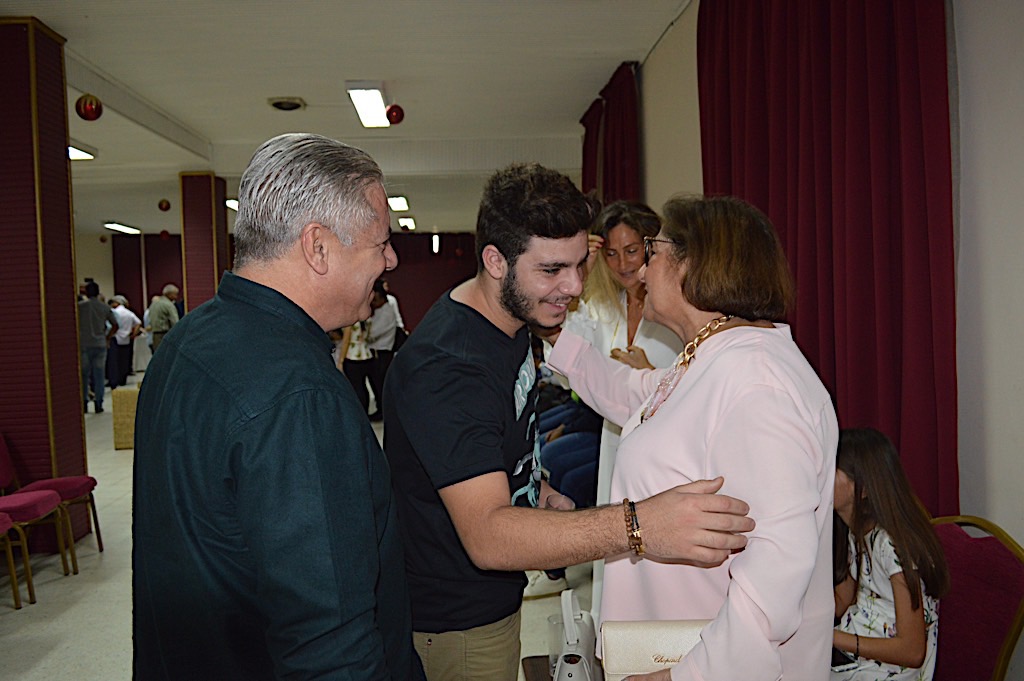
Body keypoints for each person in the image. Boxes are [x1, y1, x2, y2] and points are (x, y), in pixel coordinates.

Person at [383, 164, 755, 681]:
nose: (574, 286)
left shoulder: (514, 320)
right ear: (495, 261)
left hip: (492, 599)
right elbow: (488, 536)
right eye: (552, 269)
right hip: (457, 618)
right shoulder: (448, 367)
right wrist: (640, 525)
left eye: (580, 265)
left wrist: (534, 488)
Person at [133, 132, 423, 680]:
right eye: (380, 242)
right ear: (318, 247)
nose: (391, 258)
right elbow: (328, 639)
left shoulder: (189, 339)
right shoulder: (299, 394)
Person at [544, 194, 839, 680]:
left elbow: (775, 574)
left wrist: (682, 677)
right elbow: (634, 394)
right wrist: (555, 334)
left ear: (694, 264)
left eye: (653, 251)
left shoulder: (757, 381)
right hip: (668, 645)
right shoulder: (712, 356)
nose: (642, 269)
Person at [532, 200, 686, 602]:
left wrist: (650, 372)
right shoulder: (608, 307)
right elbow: (570, 365)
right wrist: (580, 271)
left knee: (658, 556)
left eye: (632, 251)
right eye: (612, 253)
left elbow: (695, 379)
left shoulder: (677, 308)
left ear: (654, 248)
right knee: (619, 551)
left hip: (667, 448)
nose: (623, 264)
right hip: (616, 438)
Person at [832, 428, 950, 681]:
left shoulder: (893, 547)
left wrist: (830, 637)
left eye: (831, 468)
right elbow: (842, 601)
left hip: (890, 669)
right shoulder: (855, 532)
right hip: (855, 653)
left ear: (864, 488)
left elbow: (912, 651)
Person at [78, 281, 118, 413]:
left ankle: (84, 401)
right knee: (99, 375)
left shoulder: (80, 307)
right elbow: (115, 325)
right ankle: (99, 402)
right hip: (100, 343)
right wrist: (107, 337)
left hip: (84, 344)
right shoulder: (104, 307)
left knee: (84, 375)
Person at [366, 278, 398, 421]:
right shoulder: (379, 311)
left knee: (381, 384)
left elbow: (372, 334)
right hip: (377, 352)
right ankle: (381, 409)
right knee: (376, 383)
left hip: (383, 353)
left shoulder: (387, 311)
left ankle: (384, 412)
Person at [107, 295, 141, 387]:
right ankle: (123, 380)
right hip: (126, 339)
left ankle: (114, 380)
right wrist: (133, 334)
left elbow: (111, 325)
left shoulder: (113, 312)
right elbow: (138, 323)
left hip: (115, 338)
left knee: (114, 361)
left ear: (117, 303)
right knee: (124, 361)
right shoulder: (129, 313)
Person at [147, 284, 179, 353]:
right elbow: (175, 322)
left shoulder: (154, 303)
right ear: (170, 294)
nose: (176, 297)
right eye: (175, 294)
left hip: (155, 335)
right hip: (165, 334)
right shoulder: (168, 305)